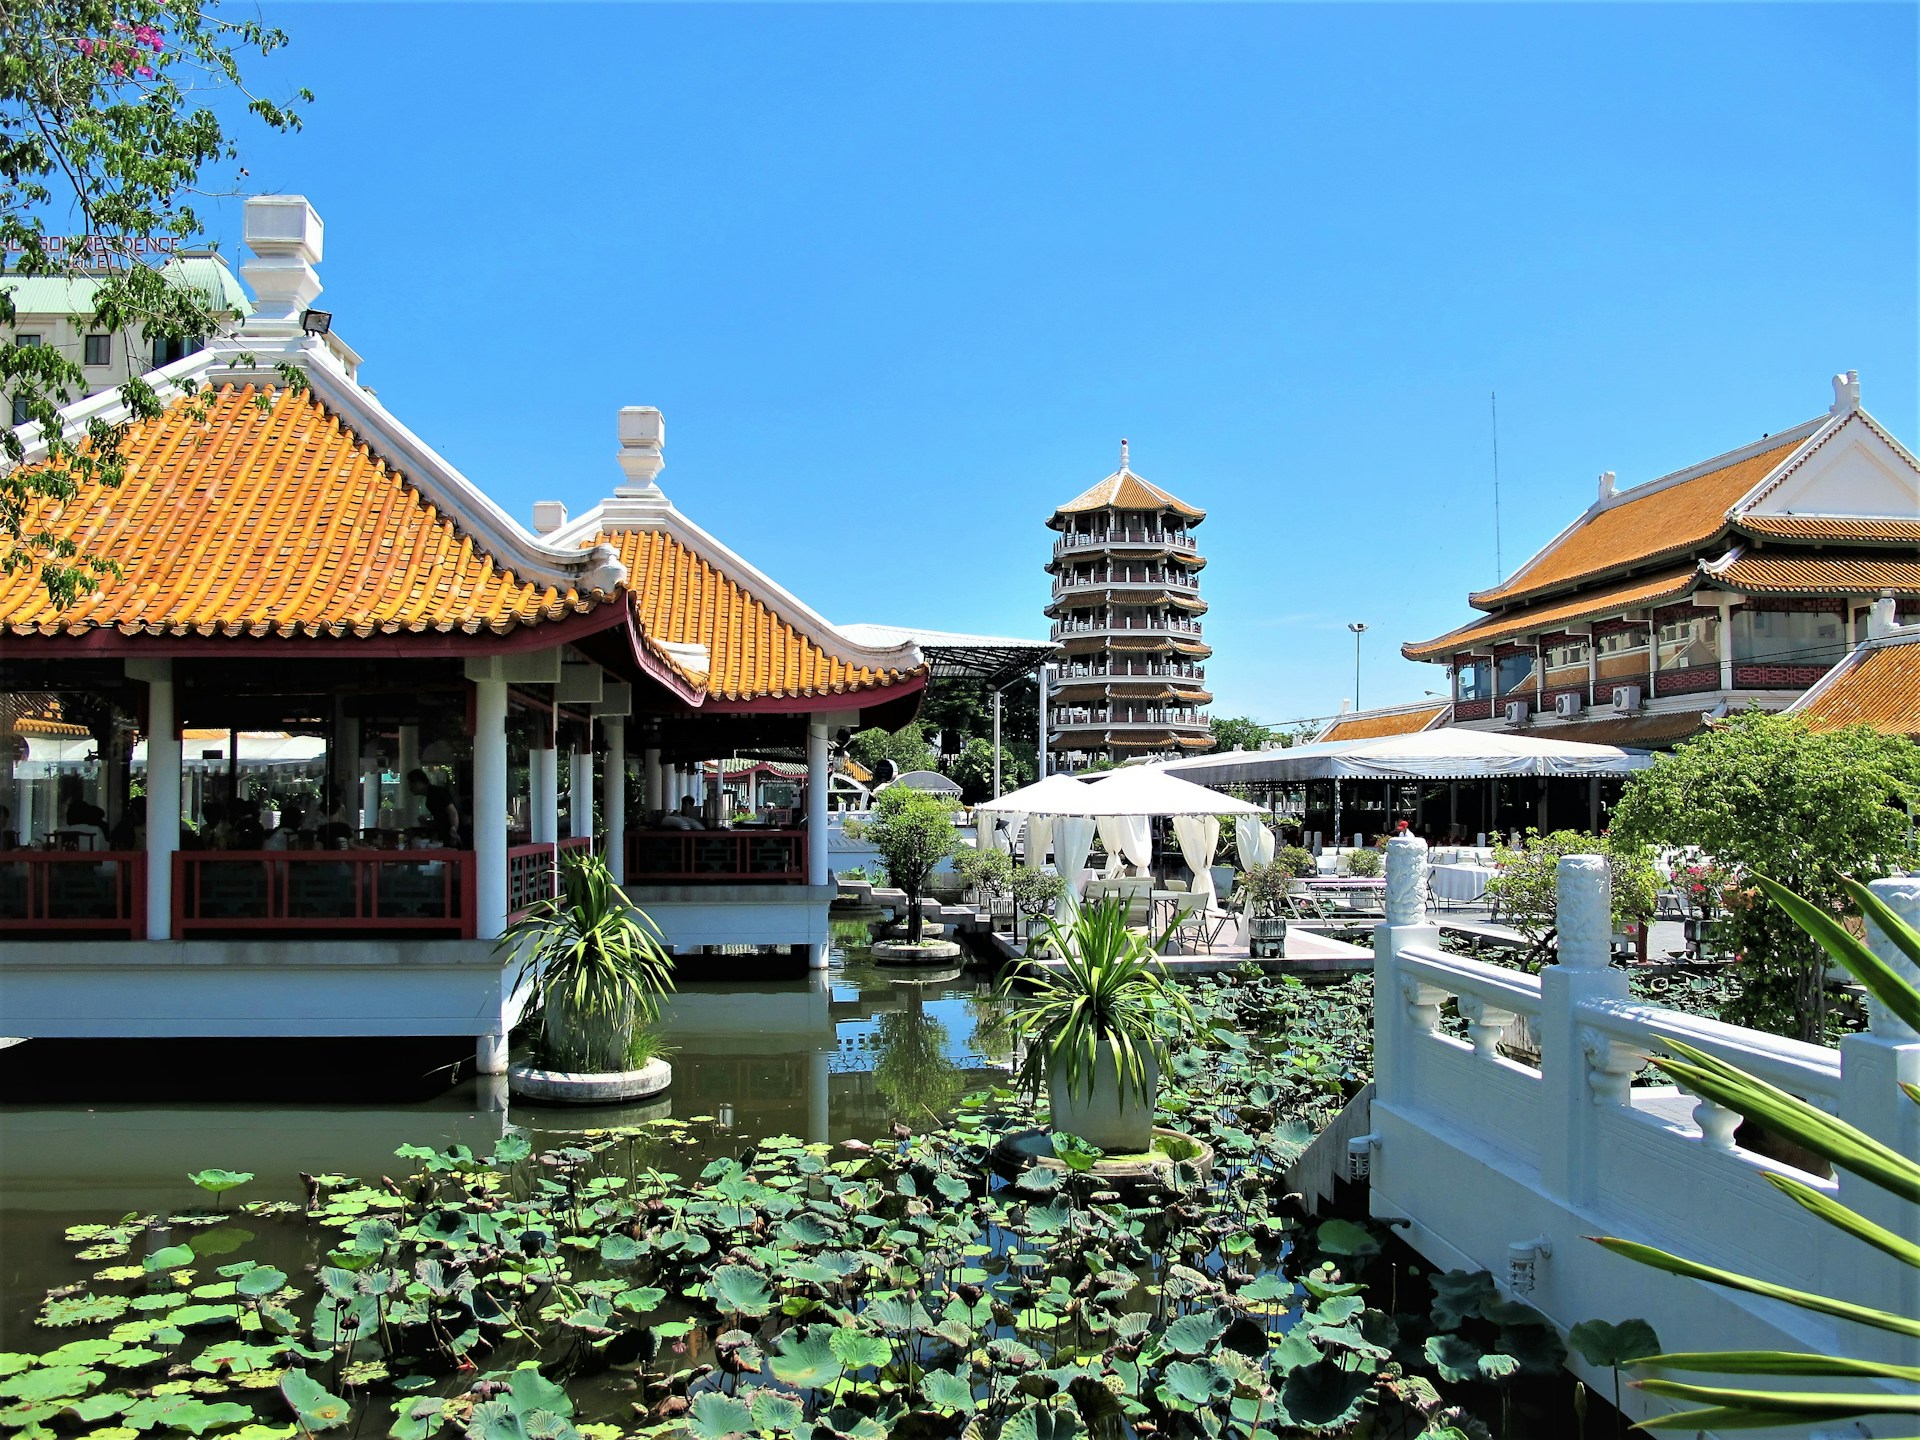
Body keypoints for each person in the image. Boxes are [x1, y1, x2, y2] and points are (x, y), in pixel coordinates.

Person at [406, 768, 460, 847]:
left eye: (411, 785)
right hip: (446, 835)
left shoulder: (437, 793)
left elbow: (452, 811)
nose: (410, 789)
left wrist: (454, 830)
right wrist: (427, 823)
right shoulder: (431, 796)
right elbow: (441, 819)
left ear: (419, 783)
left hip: (453, 835)